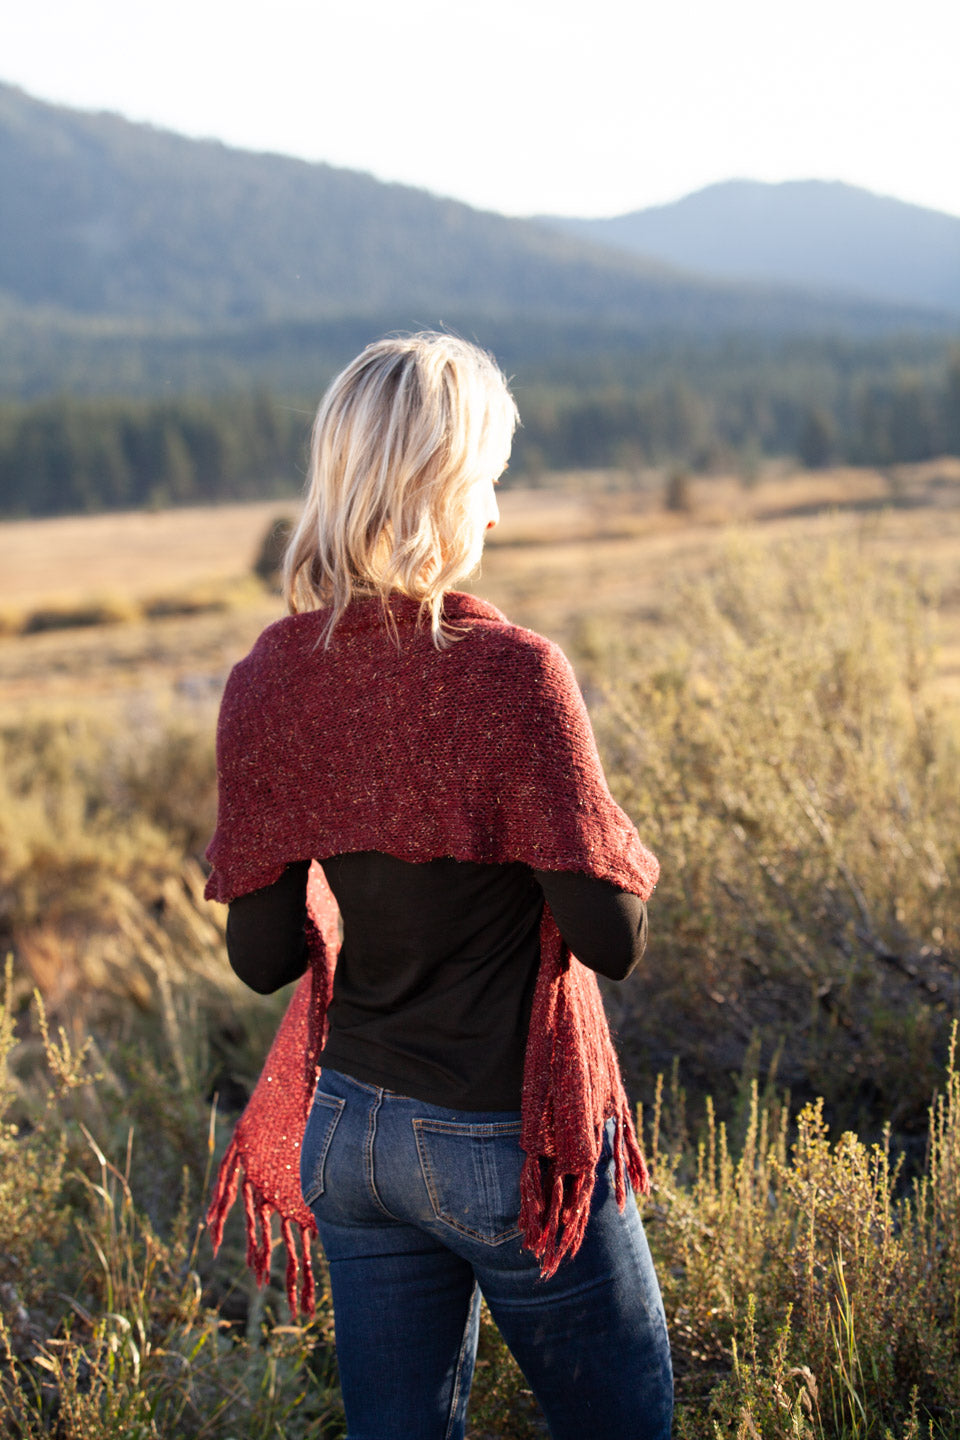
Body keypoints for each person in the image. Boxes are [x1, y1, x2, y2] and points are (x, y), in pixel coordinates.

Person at [204, 333, 673, 1440]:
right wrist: (583, 817)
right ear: (444, 488)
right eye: (489, 481)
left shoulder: (269, 681)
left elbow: (262, 957)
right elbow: (613, 936)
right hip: (499, 1134)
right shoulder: (515, 677)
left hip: (350, 1136)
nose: (497, 515)